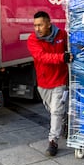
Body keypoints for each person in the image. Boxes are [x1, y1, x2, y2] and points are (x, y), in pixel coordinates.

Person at [27, 11, 72, 156]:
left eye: (40, 25)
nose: (37, 29)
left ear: (48, 23)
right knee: (52, 109)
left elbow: (71, 48)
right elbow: (42, 57)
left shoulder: (61, 35)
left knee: (56, 111)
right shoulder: (32, 40)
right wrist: (62, 57)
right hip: (43, 82)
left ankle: (53, 141)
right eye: (35, 25)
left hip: (60, 80)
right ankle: (64, 122)